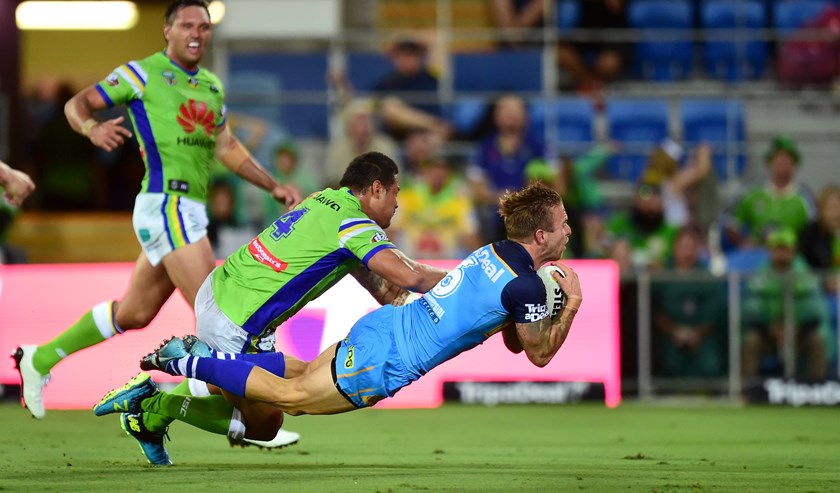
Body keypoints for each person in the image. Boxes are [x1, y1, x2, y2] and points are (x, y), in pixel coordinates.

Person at [96, 183, 582, 456]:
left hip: (385, 327)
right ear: (541, 236)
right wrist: (571, 304)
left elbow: (514, 337)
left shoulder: (493, 253)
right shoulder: (525, 285)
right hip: (388, 360)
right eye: (563, 225)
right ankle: (186, 363)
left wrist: (542, 305)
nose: (569, 231)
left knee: (297, 377)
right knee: (289, 401)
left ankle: (168, 393)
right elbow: (538, 353)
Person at [12, 0, 301, 448]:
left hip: (188, 212)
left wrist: (271, 184)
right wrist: (90, 128)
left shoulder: (210, 86)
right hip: (166, 204)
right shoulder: (142, 73)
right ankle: (238, 418)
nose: (196, 33)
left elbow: (226, 146)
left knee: (134, 312)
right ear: (167, 30)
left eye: (204, 26)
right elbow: (77, 103)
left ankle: (40, 358)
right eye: (187, 24)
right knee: (219, 316)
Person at [91, 151, 449, 465]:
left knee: (294, 374)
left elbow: (375, 279)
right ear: (376, 188)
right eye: (396, 192)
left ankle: (152, 418)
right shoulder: (354, 224)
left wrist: (394, 296)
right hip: (237, 322)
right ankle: (155, 403)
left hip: (218, 289)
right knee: (265, 423)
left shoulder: (321, 199)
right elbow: (412, 276)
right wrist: (467, 278)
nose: (398, 203)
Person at [741, 228, 833, 382]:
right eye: (778, 249)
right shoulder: (759, 277)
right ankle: (748, 389)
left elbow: (816, 310)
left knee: (817, 341)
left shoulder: (806, 276)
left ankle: (817, 389)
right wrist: (771, 327)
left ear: (793, 251)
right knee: (751, 341)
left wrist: (796, 326)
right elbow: (749, 309)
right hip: (769, 334)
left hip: (800, 333)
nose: (782, 254)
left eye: (786, 250)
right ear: (770, 251)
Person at [651, 227, 727, 379]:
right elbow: (654, 308)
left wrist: (698, 333)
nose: (686, 253)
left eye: (690, 247)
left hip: (703, 335)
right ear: (675, 248)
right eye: (683, 247)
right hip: (669, 334)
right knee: (666, 362)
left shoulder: (707, 278)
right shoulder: (662, 276)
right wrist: (673, 330)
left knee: (709, 364)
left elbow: (716, 308)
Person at [721, 135, 816, 251]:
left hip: (792, 256)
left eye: (786, 159)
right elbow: (729, 221)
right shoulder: (750, 191)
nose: (781, 162)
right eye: (777, 158)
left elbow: (815, 229)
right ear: (769, 162)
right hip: (756, 255)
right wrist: (743, 243)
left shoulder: (805, 196)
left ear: (794, 164)